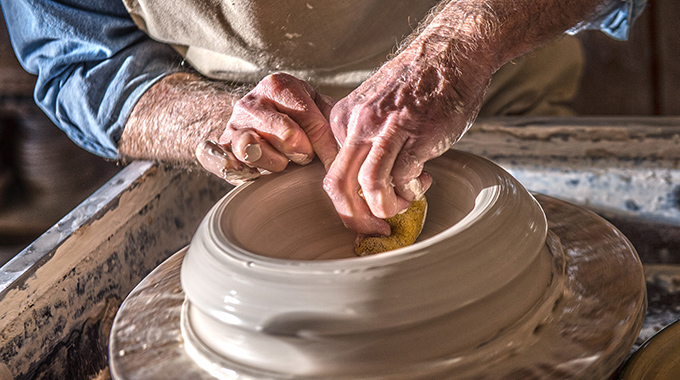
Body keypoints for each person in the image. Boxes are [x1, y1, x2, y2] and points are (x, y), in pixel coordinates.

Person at [0, 0, 645, 236]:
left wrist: (455, 54)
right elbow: (81, 55)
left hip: (492, 93)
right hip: (252, 152)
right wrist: (208, 123)